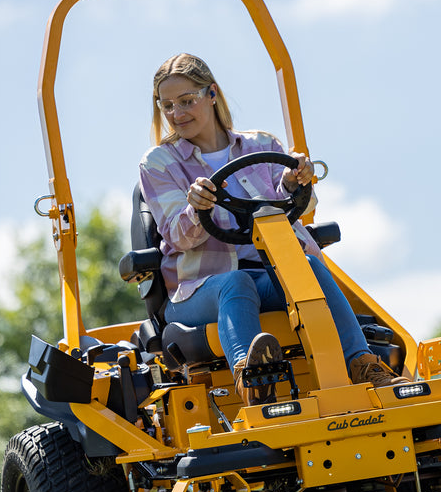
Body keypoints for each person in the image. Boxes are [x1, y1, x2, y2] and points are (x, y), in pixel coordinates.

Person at [139, 53, 406, 406]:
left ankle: (363, 364)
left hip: (272, 274)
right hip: (199, 291)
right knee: (236, 282)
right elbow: (175, 235)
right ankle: (252, 382)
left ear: (212, 94)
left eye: (187, 101)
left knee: (307, 267)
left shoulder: (262, 146)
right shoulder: (159, 163)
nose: (177, 113)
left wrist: (294, 185)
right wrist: (196, 209)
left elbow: (302, 209)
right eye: (167, 106)